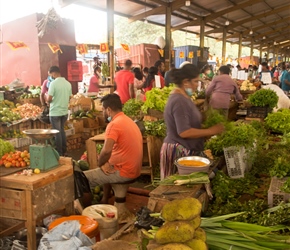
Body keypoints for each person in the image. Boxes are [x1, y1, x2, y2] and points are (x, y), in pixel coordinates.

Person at [160, 64, 224, 180]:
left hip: (186, 149)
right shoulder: (179, 101)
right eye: (195, 81)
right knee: (175, 190)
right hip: (177, 151)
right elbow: (184, 132)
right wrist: (211, 130)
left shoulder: (184, 98)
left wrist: (205, 128)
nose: (197, 85)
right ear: (186, 82)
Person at [84, 93, 143, 203]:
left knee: (82, 179)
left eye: (103, 110)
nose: (103, 113)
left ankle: (86, 211)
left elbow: (106, 151)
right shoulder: (128, 120)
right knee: (107, 166)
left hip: (124, 172)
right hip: (134, 169)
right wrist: (105, 164)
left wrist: (100, 164)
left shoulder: (114, 124)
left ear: (109, 110)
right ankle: (105, 199)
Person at [47, 66, 72, 156]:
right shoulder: (68, 84)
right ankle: (64, 151)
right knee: (61, 131)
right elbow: (70, 97)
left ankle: (59, 153)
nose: (51, 77)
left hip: (55, 112)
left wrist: (47, 100)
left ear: (53, 73)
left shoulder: (53, 84)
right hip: (64, 112)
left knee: (57, 133)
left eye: (51, 75)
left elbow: (49, 98)